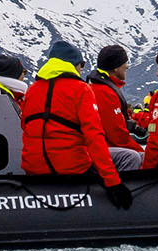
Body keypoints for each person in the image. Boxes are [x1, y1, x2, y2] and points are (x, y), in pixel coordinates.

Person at [20, 41, 134, 204]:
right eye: (81, 65)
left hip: (33, 168)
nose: (82, 70)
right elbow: (94, 136)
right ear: (74, 64)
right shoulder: (81, 89)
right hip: (72, 168)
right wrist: (113, 183)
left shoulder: (32, 89)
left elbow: (25, 127)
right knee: (129, 157)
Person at [86, 44, 147, 155]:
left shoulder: (100, 88)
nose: (127, 66)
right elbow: (117, 136)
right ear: (116, 67)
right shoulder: (104, 93)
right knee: (139, 157)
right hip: (104, 150)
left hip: (104, 147)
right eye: (124, 62)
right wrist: (140, 151)